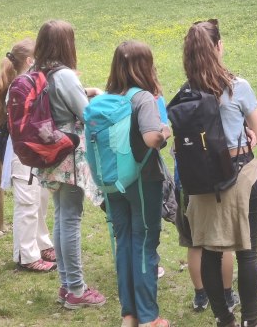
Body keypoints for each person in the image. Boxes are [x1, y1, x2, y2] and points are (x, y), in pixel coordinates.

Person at [181, 20, 257, 327]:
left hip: (201, 183)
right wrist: (248, 133)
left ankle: (224, 318)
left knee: (210, 253)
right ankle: (250, 321)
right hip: (241, 175)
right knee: (248, 252)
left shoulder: (185, 94)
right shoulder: (238, 86)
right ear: (217, 48)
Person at [32, 20, 106, 309]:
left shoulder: (37, 71)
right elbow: (87, 115)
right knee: (71, 219)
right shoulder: (63, 75)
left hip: (47, 150)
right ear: (67, 45)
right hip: (68, 153)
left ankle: (67, 284)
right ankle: (76, 289)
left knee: (62, 215)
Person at [102, 41, 171, 327]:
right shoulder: (143, 98)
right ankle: (148, 317)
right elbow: (150, 138)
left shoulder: (108, 97)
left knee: (124, 243)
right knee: (144, 245)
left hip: (114, 183)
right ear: (144, 66)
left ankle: (129, 314)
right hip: (143, 182)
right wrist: (164, 131)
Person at [0, 38, 56, 272]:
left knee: (40, 198)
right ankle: (26, 256)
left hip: (35, 151)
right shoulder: (20, 88)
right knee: (27, 202)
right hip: (22, 153)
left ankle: (42, 244)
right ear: (30, 61)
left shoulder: (31, 83)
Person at [173, 167, 240, 313]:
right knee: (223, 240)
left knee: (193, 243)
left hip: (187, 186)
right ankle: (227, 295)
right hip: (217, 186)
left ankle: (201, 296)